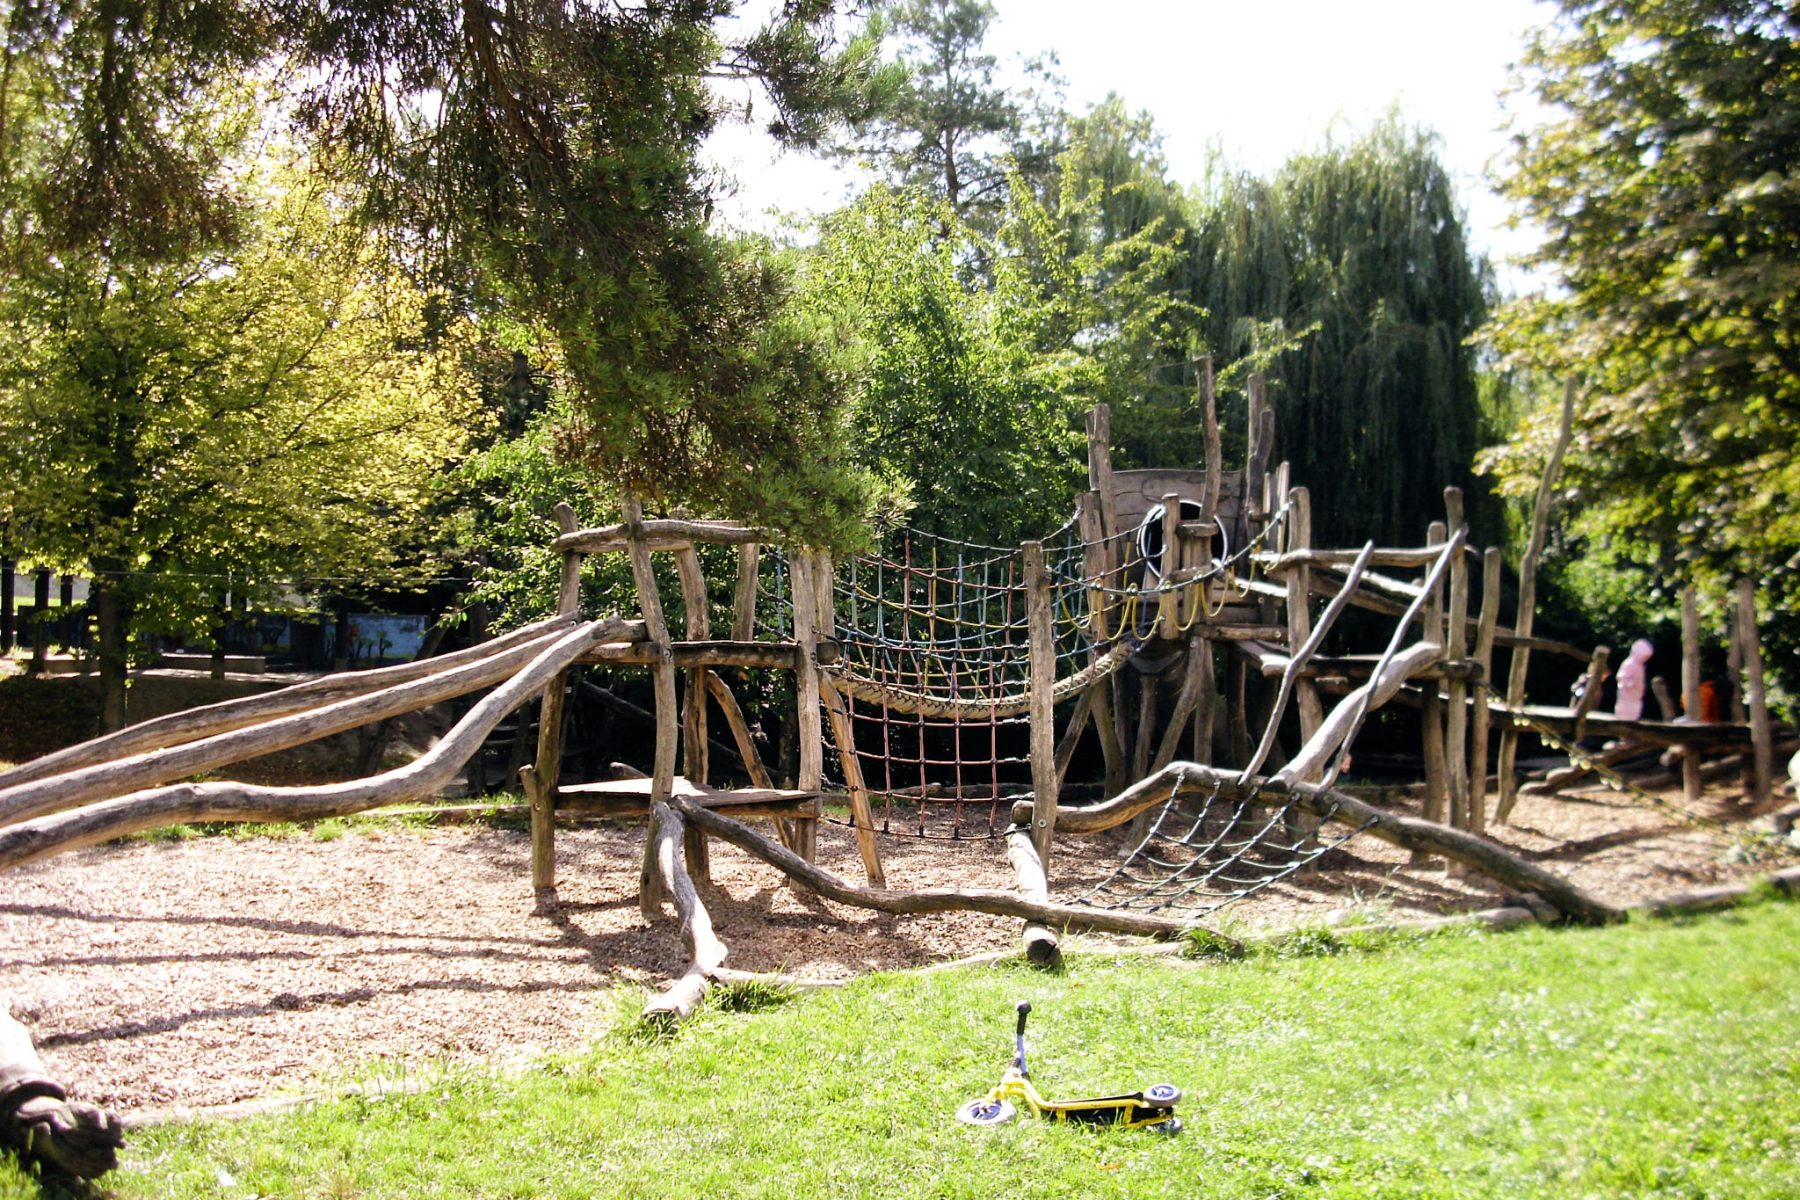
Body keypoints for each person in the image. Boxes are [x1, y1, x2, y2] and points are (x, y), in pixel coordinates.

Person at [1613, 638, 1654, 721]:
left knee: (1635, 710)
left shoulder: (1640, 666)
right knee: (1625, 710)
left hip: (1636, 695)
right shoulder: (1629, 663)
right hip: (1628, 693)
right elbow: (1621, 677)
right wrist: (1629, 684)